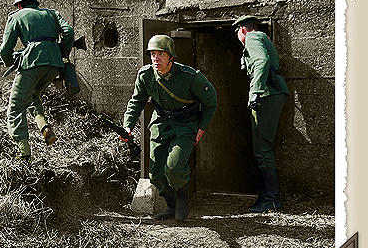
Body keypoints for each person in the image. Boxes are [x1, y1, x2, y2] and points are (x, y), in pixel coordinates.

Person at [121, 35, 217, 222]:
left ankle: (182, 200)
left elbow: (211, 102)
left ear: (171, 56)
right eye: (153, 54)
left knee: (173, 165)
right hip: (161, 123)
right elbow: (136, 102)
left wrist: (202, 127)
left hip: (186, 125)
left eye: (161, 54)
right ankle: (171, 206)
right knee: (155, 172)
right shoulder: (145, 75)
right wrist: (128, 126)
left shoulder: (190, 77)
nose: (156, 59)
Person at [0, 0, 74, 161]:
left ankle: (23, 151)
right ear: (35, 2)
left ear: (19, 5)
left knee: (16, 107)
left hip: (32, 63)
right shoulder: (52, 14)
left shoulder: (15, 16)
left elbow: (5, 50)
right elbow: (69, 32)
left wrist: (10, 62)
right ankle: (44, 127)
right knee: (33, 96)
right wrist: (62, 52)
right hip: (54, 65)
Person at [233, 15, 290, 213]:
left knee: (263, 148)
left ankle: (272, 199)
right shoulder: (260, 37)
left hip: (266, 94)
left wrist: (255, 91)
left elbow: (262, 61)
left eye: (236, 33)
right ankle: (266, 197)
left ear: (242, 29)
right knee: (263, 148)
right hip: (272, 93)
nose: (237, 36)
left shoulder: (252, 37)